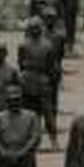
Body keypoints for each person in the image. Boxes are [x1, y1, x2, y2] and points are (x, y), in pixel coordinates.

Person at [18, 16, 57, 150]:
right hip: (28, 78)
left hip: (42, 78)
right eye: (32, 28)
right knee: (28, 111)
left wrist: (51, 81)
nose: (35, 30)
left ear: (41, 29)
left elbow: (52, 66)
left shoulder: (48, 45)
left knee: (47, 111)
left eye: (37, 27)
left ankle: (53, 140)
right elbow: (21, 64)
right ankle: (29, 140)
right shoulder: (23, 45)